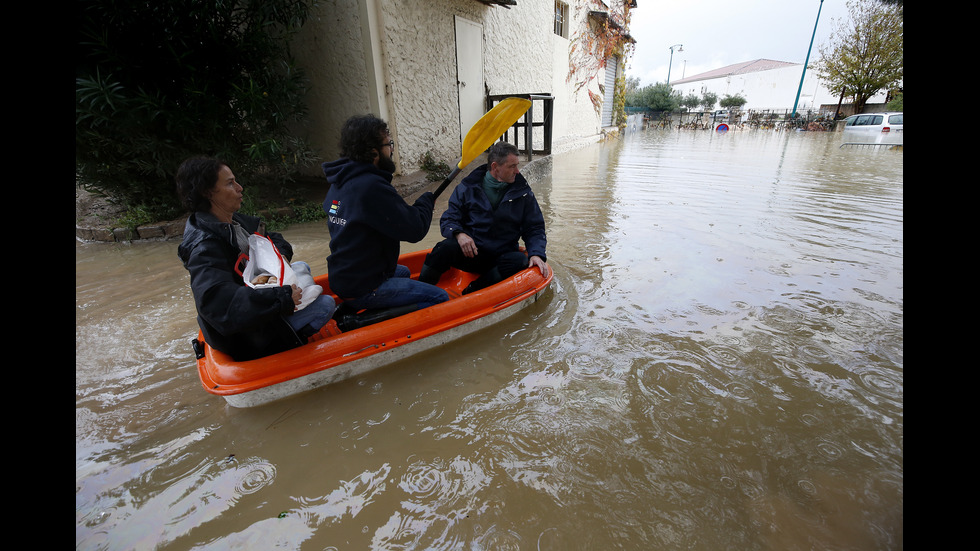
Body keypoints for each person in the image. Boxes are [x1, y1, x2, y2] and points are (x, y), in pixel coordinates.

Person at [176, 157, 336, 361]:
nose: (240, 188)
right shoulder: (205, 247)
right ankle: (284, 349)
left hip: (258, 305)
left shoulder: (232, 222)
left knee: (300, 266)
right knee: (326, 305)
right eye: (230, 183)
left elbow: (273, 239)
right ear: (207, 193)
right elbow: (218, 304)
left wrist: (281, 258)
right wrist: (283, 298)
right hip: (246, 335)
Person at [321, 115, 448, 318]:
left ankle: (351, 306)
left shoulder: (341, 181)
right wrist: (425, 202)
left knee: (404, 272)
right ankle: (361, 321)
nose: (392, 149)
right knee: (439, 298)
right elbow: (414, 229)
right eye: (389, 144)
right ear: (374, 153)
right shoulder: (370, 187)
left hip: (343, 276)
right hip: (362, 285)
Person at [418, 141, 549, 294]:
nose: (517, 171)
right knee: (443, 248)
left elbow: (535, 228)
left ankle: (473, 291)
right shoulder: (467, 188)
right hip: (473, 253)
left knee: (520, 261)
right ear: (495, 167)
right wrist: (459, 234)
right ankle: (421, 291)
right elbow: (449, 219)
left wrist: (536, 253)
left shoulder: (524, 193)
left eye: (517, 165)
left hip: (502, 256)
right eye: (512, 166)